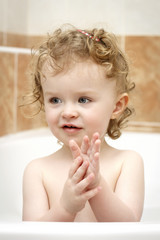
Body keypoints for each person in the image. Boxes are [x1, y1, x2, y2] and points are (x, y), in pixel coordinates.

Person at [22, 25, 144, 222]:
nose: (68, 112)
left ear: (116, 106)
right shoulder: (37, 171)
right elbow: (28, 235)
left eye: (83, 100)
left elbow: (129, 228)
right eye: (55, 100)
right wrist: (65, 207)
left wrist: (96, 186)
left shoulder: (127, 163)